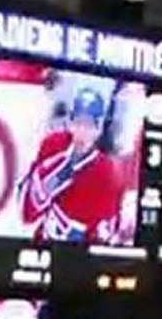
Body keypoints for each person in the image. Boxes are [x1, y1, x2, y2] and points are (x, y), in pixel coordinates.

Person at [18, 86, 131, 245]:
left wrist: (80, 238)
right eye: (78, 122)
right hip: (43, 245)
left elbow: (106, 232)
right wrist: (57, 174)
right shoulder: (53, 145)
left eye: (89, 125)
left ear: (99, 129)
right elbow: (27, 213)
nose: (82, 131)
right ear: (70, 122)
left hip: (79, 253)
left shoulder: (107, 172)